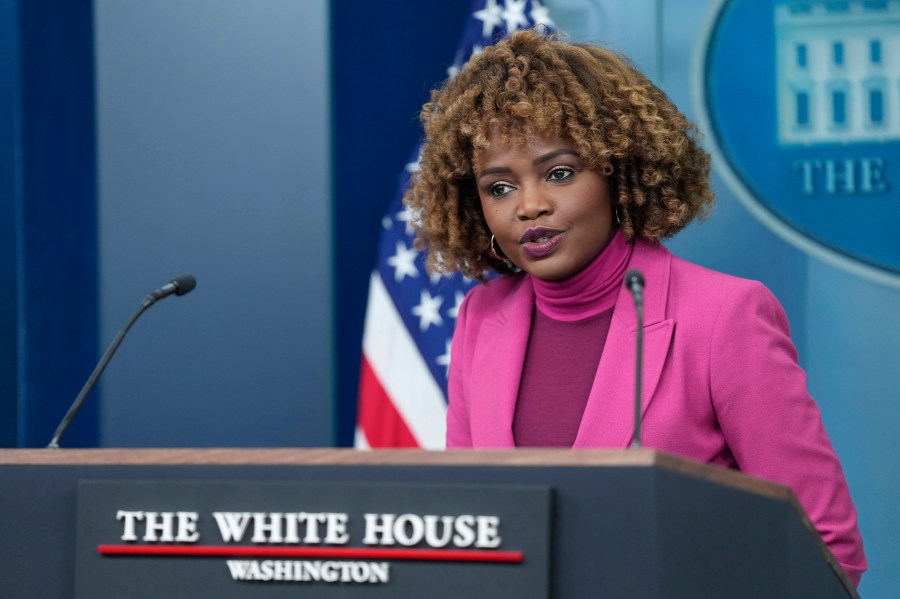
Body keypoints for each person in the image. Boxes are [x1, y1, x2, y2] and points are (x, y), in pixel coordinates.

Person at [403, 29, 866, 586]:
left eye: (559, 173)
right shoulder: (483, 319)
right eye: (499, 187)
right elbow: (475, 533)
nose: (530, 205)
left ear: (617, 173)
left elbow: (825, 546)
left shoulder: (724, 316)